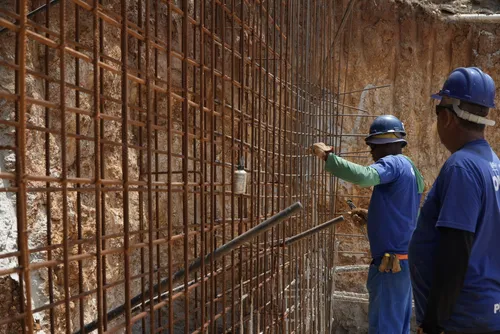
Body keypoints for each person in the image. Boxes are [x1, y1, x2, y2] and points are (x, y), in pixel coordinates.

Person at [312, 115, 424, 333]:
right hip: (405, 264)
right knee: (399, 327)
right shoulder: (411, 168)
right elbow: (409, 214)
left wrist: (329, 158)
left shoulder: (391, 163)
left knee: (385, 328)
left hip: (389, 266)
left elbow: (364, 176)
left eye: (373, 146)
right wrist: (372, 217)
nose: (371, 152)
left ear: (386, 143)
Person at [409, 67, 500, 334]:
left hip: (462, 319)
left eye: (438, 112)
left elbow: (456, 250)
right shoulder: (493, 165)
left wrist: (433, 323)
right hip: (485, 312)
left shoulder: (462, 167)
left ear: (447, 117)